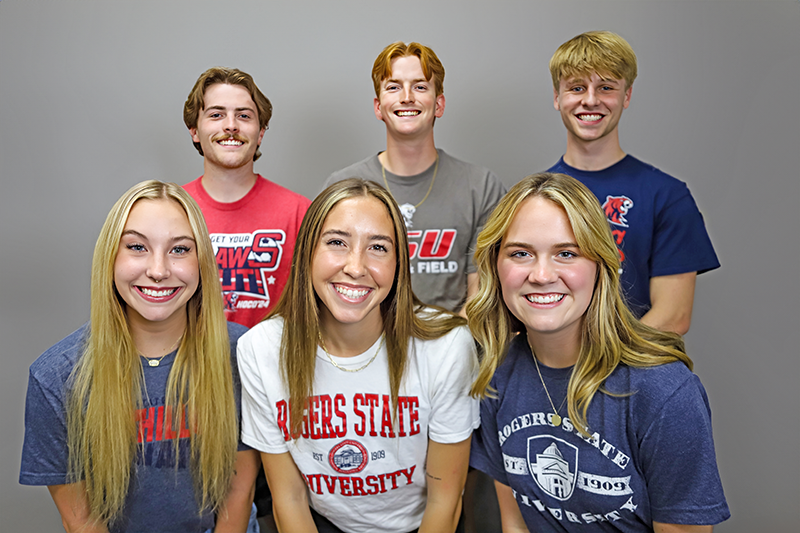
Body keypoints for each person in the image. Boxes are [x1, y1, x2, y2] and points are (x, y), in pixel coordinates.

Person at [467, 173, 729, 531]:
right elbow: (515, 525)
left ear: (600, 267)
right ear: (495, 267)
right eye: (521, 253)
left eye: (567, 253)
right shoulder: (497, 372)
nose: (542, 275)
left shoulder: (664, 393)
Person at [237, 178, 479, 533]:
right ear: (307, 252)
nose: (355, 266)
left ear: (399, 264)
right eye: (337, 242)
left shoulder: (446, 346)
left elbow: (445, 500)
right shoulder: (261, 349)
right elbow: (288, 498)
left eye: (378, 248)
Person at [20, 181, 258, 532]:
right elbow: (82, 520)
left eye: (179, 250)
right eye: (137, 247)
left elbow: (239, 492)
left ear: (201, 261)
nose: (159, 270)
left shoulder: (244, 354)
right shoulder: (56, 377)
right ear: (110, 257)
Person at [547, 31, 719, 334]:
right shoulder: (534, 197)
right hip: (549, 372)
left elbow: (673, 315)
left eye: (606, 88)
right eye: (576, 88)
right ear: (557, 97)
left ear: (626, 96)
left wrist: (599, 362)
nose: (590, 100)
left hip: (632, 374)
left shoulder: (667, 196)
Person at [324, 42, 506, 316]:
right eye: (393, 87)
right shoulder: (342, 187)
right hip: (365, 345)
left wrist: (442, 346)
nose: (406, 97)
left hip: (453, 344)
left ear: (439, 104)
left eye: (420, 87)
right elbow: (329, 286)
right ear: (378, 107)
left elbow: (482, 296)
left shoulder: (481, 187)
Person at [183, 66, 311, 329]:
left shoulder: (300, 213)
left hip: (273, 367)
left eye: (243, 116)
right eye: (216, 114)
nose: (231, 126)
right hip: (189, 367)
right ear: (194, 130)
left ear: (260, 133)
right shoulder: (172, 210)